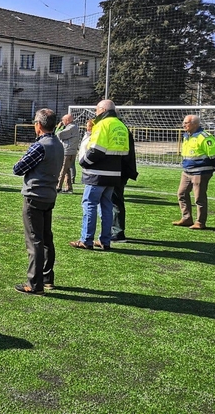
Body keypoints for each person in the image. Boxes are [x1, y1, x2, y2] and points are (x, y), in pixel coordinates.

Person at [12, 108, 64, 295]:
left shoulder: (40, 145)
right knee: (46, 238)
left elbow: (18, 169)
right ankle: (47, 278)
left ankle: (35, 284)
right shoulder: (58, 144)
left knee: (34, 240)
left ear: (39, 125)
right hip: (49, 195)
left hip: (34, 196)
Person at [71, 99, 130, 251]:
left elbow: (96, 150)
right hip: (114, 174)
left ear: (103, 110)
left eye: (97, 110)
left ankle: (86, 240)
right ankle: (105, 240)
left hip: (97, 174)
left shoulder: (102, 124)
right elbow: (125, 152)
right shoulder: (121, 126)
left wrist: (84, 161)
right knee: (107, 207)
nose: (95, 113)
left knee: (90, 204)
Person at [173, 115, 215, 230]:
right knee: (181, 194)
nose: (183, 125)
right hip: (187, 171)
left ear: (195, 124)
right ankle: (187, 218)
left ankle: (200, 222)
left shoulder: (205, 137)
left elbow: (214, 156)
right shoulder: (186, 136)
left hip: (201, 172)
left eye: (186, 123)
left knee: (199, 198)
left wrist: (211, 169)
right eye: (183, 122)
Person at [55, 113, 79, 194]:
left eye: (63, 120)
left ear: (67, 120)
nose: (62, 122)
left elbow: (58, 134)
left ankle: (58, 187)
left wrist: (59, 127)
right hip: (70, 151)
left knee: (62, 169)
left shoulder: (71, 127)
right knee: (67, 170)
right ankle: (69, 187)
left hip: (68, 152)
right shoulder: (72, 127)